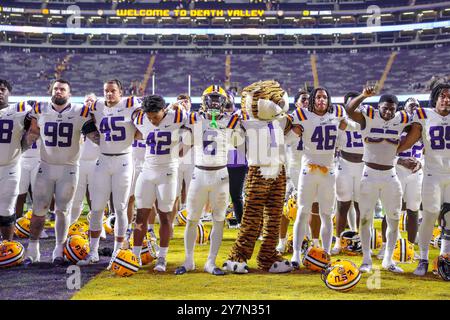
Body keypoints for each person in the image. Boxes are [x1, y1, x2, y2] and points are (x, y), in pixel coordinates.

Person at [23, 79, 99, 265]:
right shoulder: (40, 108)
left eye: (63, 89)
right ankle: (33, 250)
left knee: (63, 210)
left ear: (69, 94)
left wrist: (112, 145)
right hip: (46, 165)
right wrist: (19, 149)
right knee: (38, 209)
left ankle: (59, 249)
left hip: (69, 167)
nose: (58, 91)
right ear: (51, 90)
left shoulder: (81, 111)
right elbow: (32, 132)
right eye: (56, 88)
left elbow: (93, 135)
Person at [290, 87, 358, 268]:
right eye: (318, 97)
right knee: (303, 211)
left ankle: (326, 254)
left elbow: (351, 126)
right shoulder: (302, 114)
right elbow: (289, 130)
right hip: (308, 170)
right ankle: (296, 254)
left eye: (325, 97)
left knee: (326, 214)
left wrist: (350, 124)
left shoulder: (337, 112)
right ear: (312, 99)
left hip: (329, 170)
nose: (322, 100)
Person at [346, 86, 412, 273]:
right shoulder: (369, 115)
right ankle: (366, 259)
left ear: (397, 109)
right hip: (369, 174)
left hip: (391, 175)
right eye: (385, 108)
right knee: (365, 218)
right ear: (379, 107)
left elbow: (417, 128)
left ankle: (388, 260)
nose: (388, 112)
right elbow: (349, 110)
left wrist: (405, 147)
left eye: (392, 109)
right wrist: (363, 96)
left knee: (393, 218)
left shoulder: (402, 118)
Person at [78, 79, 141, 266]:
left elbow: (141, 128)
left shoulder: (131, 104)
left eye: (113, 90)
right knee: (97, 208)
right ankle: (93, 251)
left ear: (120, 92)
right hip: (103, 159)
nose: (109, 94)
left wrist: (133, 135)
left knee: (120, 207)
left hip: (123, 160)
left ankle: (117, 251)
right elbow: (86, 124)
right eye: (106, 90)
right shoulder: (96, 105)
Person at [175, 85, 234, 275]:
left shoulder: (231, 120)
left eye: (218, 99)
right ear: (204, 100)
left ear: (225, 102)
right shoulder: (193, 119)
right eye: (212, 98)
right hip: (199, 173)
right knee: (192, 219)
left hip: (221, 174)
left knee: (218, 220)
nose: (215, 102)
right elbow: (181, 148)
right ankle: (189, 260)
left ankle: (210, 262)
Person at [398, 83, 450, 276]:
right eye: (443, 96)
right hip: (432, 174)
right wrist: (392, 150)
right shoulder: (425, 115)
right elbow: (410, 139)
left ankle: (445, 257)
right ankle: (423, 258)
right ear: (435, 98)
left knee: (449, 217)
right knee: (430, 214)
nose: (446, 99)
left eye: (449, 96)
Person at [132, 94, 187, 272]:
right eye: (149, 117)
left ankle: (162, 257)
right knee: (140, 216)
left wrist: (183, 150)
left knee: (164, 216)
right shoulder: (141, 117)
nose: (152, 120)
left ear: (164, 110)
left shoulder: (178, 117)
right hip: (147, 171)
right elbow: (134, 113)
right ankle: (135, 255)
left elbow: (194, 126)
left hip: (168, 172)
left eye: (155, 117)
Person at [378, 97, 423, 259]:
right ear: (404, 108)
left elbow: (428, 150)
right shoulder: (397, 123)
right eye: (411, 105)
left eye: (417, 106)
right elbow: (385, 148)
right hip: (396, 169)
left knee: (413, 210)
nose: (415, 108)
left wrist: (421, 163)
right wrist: (400, 160)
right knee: (391, 209)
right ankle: (385, 245)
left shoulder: (422, 125)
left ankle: (410, 247)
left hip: (415, 172)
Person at [332, 91, 364, 254]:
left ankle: (361, 241)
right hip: (344, 165)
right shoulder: (340, 121)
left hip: (363, 167)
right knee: (342, 205)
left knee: (361, 206)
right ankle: (338, 242)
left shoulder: (366, 120)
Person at [0, 79, 31, 241]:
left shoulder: (20, 110)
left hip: (10, 166)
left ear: (8, 93)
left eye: (2, 89)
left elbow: (33, 128)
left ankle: (6, 245)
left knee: (6, 208)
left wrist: (23, 147)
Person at [69, 93, 100, 225]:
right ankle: (69, 224)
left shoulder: (100, 118)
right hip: (79, 163)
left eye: (91, 101)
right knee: (76, 198)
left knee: (96, 198)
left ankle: (98, 226)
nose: (88, 103)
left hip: (96, 163)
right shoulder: (77, 118)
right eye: (86, 100)